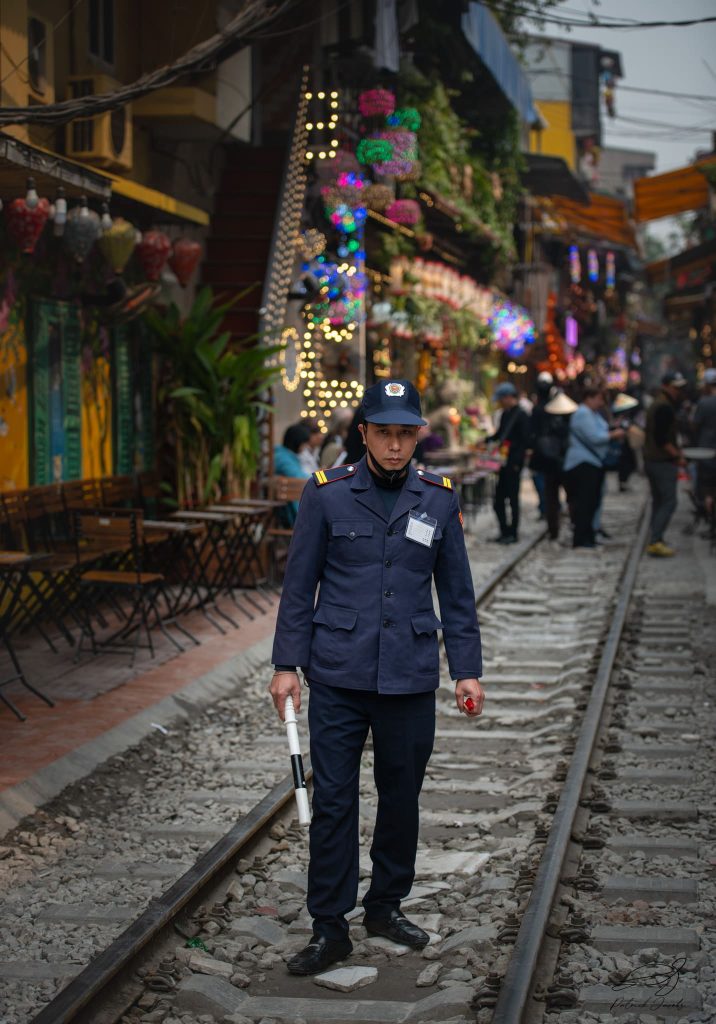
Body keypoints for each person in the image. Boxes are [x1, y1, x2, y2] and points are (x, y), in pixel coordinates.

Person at [269, 379, 484, 976]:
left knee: (401, 800)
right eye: (384, 433)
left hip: (411, 677)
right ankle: (329, 926)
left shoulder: (438, 498)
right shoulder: (327, 496)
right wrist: (286, 664)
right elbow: (298, 586)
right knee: (334, 802)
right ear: (363, 433)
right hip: (338, 673)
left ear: (418, 435)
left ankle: (385, 906)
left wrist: (465, 671)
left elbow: (458, 595)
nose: (395, 446)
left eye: (405, 434)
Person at [563, 386, 624, 549]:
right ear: (589, 398)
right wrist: (614, 434)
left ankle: (588, 535)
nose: (601, 403)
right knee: (585, 502)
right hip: (583, 462)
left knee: (591, 501)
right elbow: (595, 437)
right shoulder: (583, 413)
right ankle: (582, 537)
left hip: (592, 462)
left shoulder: (591, 413)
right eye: (599, 398)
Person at [643, 371, 686, 557]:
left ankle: (656, 538)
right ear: (666, 386)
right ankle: (655, 540)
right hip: (661, 461)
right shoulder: (664, 407)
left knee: (659, 501)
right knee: (669, 501)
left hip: (653, 459)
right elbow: (662, 438)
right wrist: (677, 456)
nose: (678, 391)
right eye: (675, 387)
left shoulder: (660, 403)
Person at [487, 382, 531, 544]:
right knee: (498, 500)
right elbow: (500, 435)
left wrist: (517, 459)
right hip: (503, 463)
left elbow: (526, 441)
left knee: (513, 499)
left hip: (514, 463)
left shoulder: (522, 415)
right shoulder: (506, 414)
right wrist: (486, 440)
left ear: (508, 397)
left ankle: (513, 533)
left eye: (501, 399)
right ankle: (504, 531)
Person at [531, 389, 576, 540]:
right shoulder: (569, 419)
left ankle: (553, 530)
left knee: (552, 497)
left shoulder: (543, 415)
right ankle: (573, 525)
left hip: (550, 463)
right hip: (565, 463)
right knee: (570, 497)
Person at [691, 367, 716, 522]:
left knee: (707, 488)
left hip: (706, 452)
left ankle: (711, 519)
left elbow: (695, 426)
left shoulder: (704, 402)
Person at [273, 424, 311, 525]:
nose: (306, 447)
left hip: (287, 504)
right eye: (305, 443)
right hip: (287, 510)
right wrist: (322, 477)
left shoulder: (283, 455)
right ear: (297, 442)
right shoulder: (283, 458)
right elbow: (301, 478)